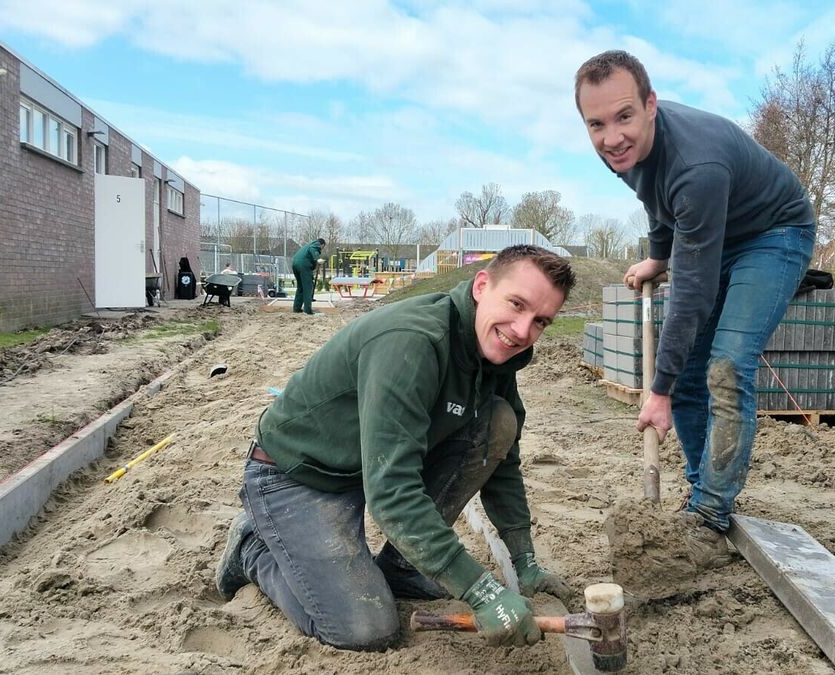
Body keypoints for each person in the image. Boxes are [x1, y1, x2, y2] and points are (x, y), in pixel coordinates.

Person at [214, 244, 576, 651]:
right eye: (516, 304)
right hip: (298, 476)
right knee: (367, 630)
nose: (523, 331)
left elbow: (503, 463)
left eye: (540, 321)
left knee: (497, 423)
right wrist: (481, 592)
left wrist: (524, 561)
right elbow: (393, 492)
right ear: (481, 286)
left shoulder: (498, 356)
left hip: (366, 466)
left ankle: (403, 569)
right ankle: (252, 550)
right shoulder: (414, 341)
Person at [574, 51, 815, 553]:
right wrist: (658, 256)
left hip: (772, 233)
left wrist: (655, 391)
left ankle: (709, 512)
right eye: (596, 124)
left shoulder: (697, 165)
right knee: (687, 377)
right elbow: (655, 201)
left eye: (623, 117)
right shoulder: (621, 152)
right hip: (717, 230)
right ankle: (702, 484)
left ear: (650, 105)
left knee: (727, 364)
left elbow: (692, 295)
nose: (611, 137)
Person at [291, 237, 324, 314]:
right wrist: (317, 259)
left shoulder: (307, 246)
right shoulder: (316, 244)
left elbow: (310, 258)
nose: (321, 249)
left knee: (300, 287)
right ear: (322, 245)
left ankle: (297, 308)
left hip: (295, 264)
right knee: (308, 287)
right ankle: (308, 310)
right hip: (303, 265)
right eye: (322, 248)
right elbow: (313, 249)